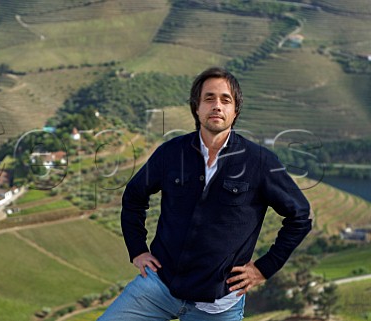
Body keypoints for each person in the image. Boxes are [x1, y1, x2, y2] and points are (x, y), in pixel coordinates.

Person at [97, 67, 312, 321]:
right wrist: (137, 249)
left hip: (218, 303)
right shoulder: (171, 153)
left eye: (225, 99)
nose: (217, 106)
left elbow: (300, 216)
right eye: (209, 98)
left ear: (235, 110)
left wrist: (264, 268)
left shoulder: (260, 162)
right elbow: (133, 197)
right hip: (158, 287)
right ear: (196, 108)